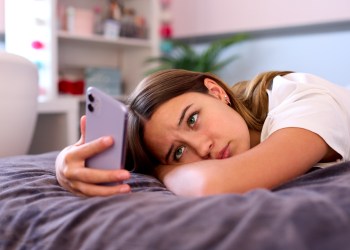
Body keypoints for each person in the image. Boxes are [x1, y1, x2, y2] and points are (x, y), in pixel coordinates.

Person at [55, 69, 350, 197]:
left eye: (193, 119)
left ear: (217, 92)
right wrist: (62, 164)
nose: (203, 148)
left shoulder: (302, 100)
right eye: (179, 152)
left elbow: (213, 185)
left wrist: (161, 167)